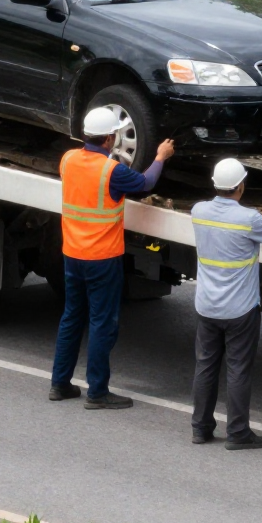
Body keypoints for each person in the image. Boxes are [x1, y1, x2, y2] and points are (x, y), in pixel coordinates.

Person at [50, 106, 175, 409]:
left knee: (71, 317)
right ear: (109, 139)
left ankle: (60, 383)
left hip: (72, 253)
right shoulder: (111, 171)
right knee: (102, 323)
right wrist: (160, 157)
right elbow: (145, 184)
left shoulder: (68, 160)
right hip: (102, 258)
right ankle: (97, 392)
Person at [190, 158, 262, 449]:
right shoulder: (249, 218)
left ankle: (200, 428)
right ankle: (237, 433)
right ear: (240, 186)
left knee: (206, 366)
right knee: (238, 369)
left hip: (207, 306)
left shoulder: (198, 211)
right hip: (240, 310)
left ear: (215, 184)